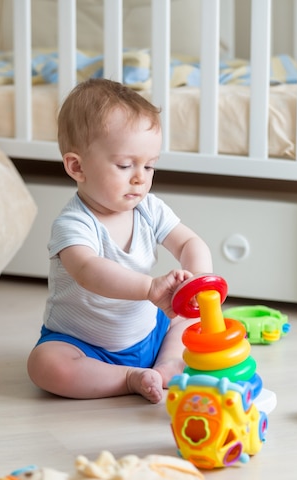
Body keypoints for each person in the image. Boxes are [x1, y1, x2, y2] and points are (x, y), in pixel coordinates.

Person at [27, 78, 213, 403]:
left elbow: (188, 244)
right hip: (84, 344)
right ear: (77, 166)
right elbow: (88, 270)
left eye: (150, 165)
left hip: (149, 332)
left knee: (186, 321)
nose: (140, 177)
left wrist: (198, 280)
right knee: (45, 366)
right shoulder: (74, 223)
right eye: (126, 165)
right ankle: (128, 378)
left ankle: (167, 365)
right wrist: (148, 288)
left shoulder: (149, 209)